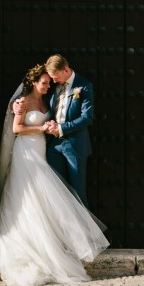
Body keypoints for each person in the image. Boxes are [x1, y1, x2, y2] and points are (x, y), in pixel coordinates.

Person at [0, 63, 108, 286]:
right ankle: (31, 242)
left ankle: (59, 243)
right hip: (26, 152)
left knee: (46, 196)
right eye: (44, 83)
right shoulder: (22, 102)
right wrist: (41, 129)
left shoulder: (48, 99)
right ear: (33, 83)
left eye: (49, 82)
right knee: (28, 195)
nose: (48, 86)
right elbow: (17, 129)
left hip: (43, 150)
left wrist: (51, 127)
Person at [44, 53, 94, 207]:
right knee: (58, 191)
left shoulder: (84, 85)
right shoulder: (54, 86)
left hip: (75, 145)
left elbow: (87, 118)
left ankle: (84, 231)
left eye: (55, 76)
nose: (53, 81)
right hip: (53, 145)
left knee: (78, 192)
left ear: (65, 70)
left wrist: (61, 128)